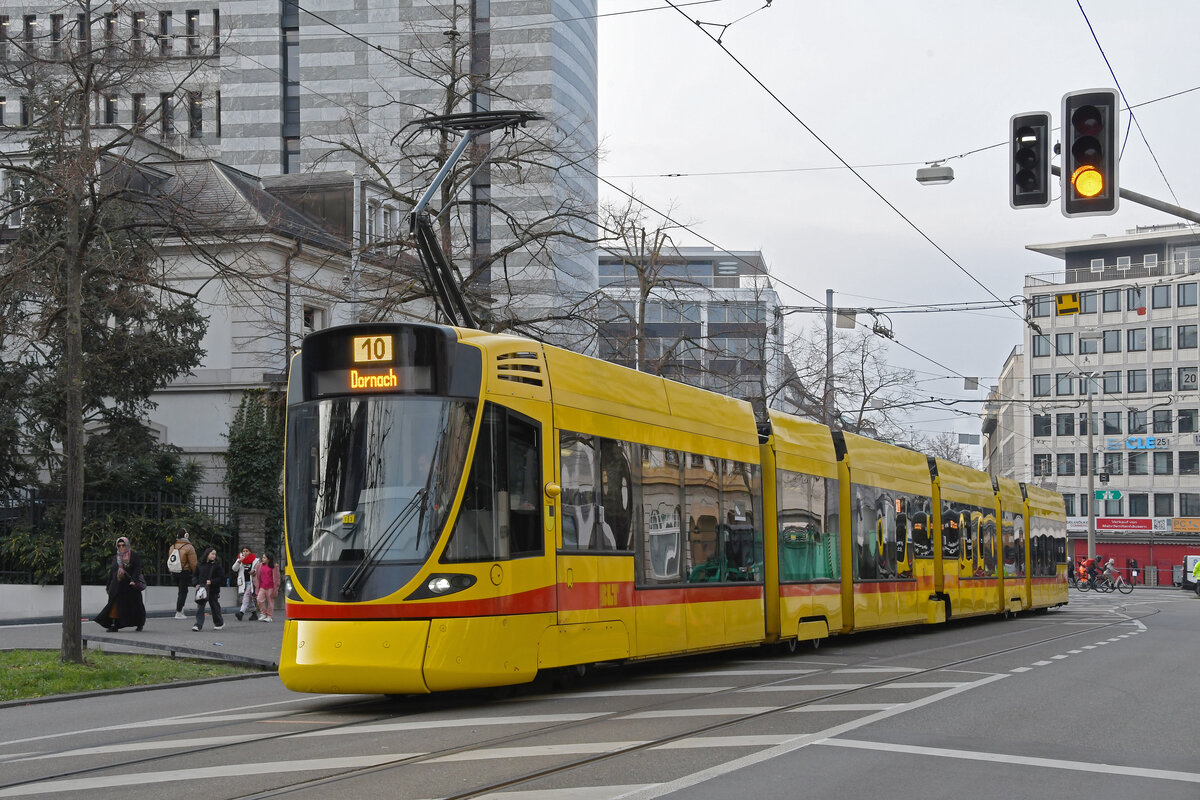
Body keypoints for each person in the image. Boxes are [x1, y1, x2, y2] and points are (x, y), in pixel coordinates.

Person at [95, 537, 147, 632]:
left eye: (123, 545)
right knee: (114, 605)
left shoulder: (133, 556)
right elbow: (112, 572)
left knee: (135, 606)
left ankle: (139, 623)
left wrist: (134, 580)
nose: (121, 547)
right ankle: (115, 625)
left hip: (130, 587)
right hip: (117, 586)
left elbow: (137, 569)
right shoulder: (116, 557)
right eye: (119, 545)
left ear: (127, 545)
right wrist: (108, 585)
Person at [168, 529, 198, 619]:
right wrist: (196, 573)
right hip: (184, 572)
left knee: (180, 592)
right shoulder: (189, 547)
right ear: (186, 536)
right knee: (183, 592)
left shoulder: (172, 546)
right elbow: (193, 563)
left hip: (174, 571)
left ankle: (181, 610)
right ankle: (178, 612)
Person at [192, 547, 225, 631]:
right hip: (202, 589)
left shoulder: (217, 565)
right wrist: (196, 584)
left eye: (215, 554)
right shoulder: (200, 564)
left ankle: (219, 623)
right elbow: (195, 575)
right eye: (212, 554)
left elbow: (221, 578)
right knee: (200, 607)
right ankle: (198, 625)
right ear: (207, 554)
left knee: (214, 606)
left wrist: (212, 582)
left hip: (213, 590)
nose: (214, 556)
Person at [232, 547, 259, 621]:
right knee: (249, 599)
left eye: (247, 551)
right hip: (243, 583)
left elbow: (259, 570)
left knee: (246, 597)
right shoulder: (240, 559)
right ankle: (254, 614)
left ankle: (241, 613)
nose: (245, 552)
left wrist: (254, 571)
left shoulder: (255, 560)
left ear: (250, 552)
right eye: (243, 551)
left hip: (251, 582)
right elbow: (234, 569)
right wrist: (239, 562)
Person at [255, 554, 278, 622]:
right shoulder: (260, 566)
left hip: (271, 587)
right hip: (262, 586)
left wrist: (276, 588)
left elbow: (277, 578)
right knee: (259, 599)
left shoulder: (274, 566)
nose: (263, 559)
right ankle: (263, 613)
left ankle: (269, 616)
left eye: (264, 558)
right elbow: (257, 575)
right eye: (263, 557)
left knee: (270, 602)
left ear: (269, 559)